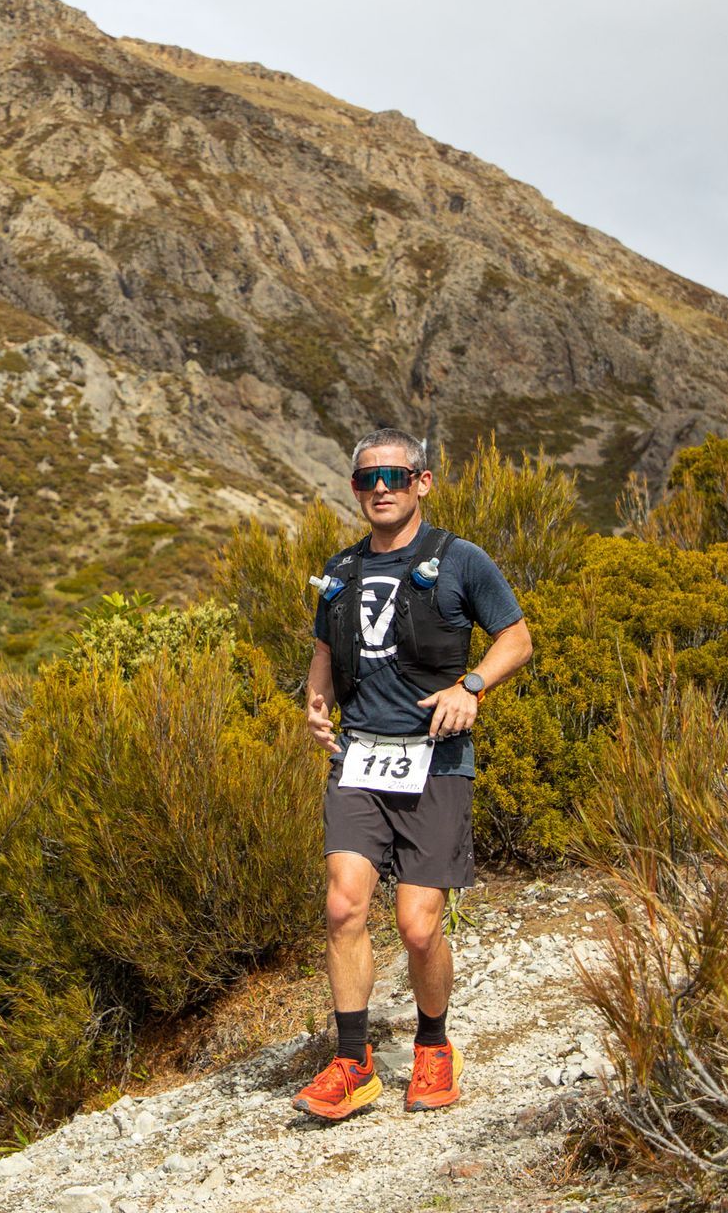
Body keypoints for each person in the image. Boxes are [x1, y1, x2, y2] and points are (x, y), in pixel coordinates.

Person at [290, 428, 533, 1120]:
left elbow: (517, 637)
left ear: (423, 483)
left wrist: (473, 686)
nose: (382, 490)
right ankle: (352, 1061)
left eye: (395, 476)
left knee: (419, 926)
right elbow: (322, 651)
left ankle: (433, 1046)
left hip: (436, 760)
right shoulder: (339, 568)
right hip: (360, 758)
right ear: (355, 490)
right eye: (368, 480)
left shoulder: (460, 560)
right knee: (343, 905)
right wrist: (315, 703)